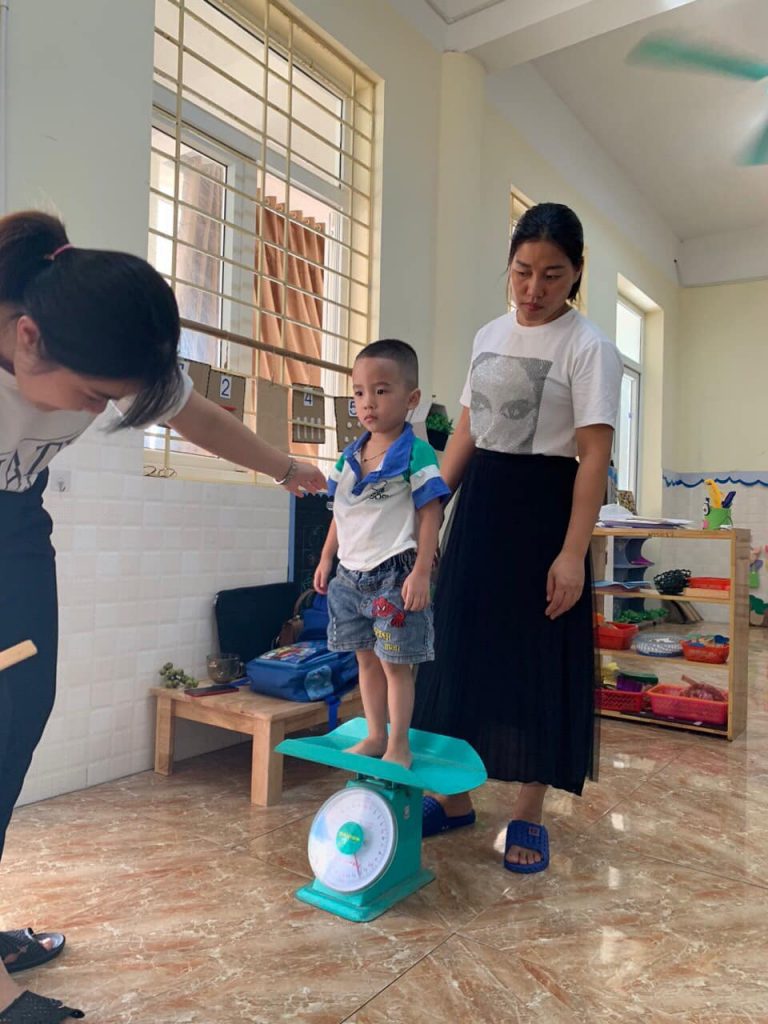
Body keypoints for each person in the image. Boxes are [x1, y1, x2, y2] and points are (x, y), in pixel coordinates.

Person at [0, 210, 326, 1023]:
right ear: (27, 340)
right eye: (94, 398)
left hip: (18, 532)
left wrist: (284, 467)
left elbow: (196, 415)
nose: (95, 413)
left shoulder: (99, 338)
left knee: (16, 717)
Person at [414, 203, 622, 873]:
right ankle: (453, 799)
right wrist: (431, 509)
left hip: (545, 512)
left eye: (552, 275)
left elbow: (593, 457)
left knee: (535, 658)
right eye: (522, 272)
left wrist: (572, 552)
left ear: (577, 273)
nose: (533, 290)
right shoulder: (488, 335)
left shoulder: (589, 347)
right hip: (482, 507)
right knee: (459, 650)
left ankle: (528, 813)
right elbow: (468, 430)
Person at [313, 340, 450, 769]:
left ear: (411, 398)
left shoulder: (416, 453)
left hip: (395, 575)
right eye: (359, 392)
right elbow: (340, 513)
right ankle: (375, 736)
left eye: (381, 390)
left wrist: (422, 572)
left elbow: (431, 514)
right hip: (349, 577)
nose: (367, 402)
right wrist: (326, 558)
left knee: (396, 665)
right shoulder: (349, 456)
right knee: (366, 661)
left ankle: (399, 745)